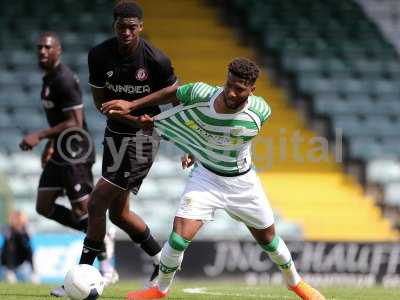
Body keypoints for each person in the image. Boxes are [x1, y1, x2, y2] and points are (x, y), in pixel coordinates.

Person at [102, 58, 326, 300]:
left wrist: (194, 145)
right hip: (206, 177)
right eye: (228, 84)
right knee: (178, 238)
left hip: (242, 183)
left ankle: (296, 284)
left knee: (269, 241)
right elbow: (173, 93)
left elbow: (222, 137)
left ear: (252, 90)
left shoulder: (259, 113)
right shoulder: (202, 93)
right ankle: (159, 290)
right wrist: (132, 105)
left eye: (239, 89)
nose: (230, 92)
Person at [77, 0, 178, 288]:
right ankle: (163, 261)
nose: (127, 32)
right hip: (115, 134)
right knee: (118, 214)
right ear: (114, 26)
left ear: (141, 27)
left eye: (132, 27)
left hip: (144, 138)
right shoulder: (98, 56)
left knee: (96, 202)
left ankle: (84, 276)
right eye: (122, 26)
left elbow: (174, 98)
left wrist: (136, 114)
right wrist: (117, 111)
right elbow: (100, 102)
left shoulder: (156, 60)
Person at [19, 32, 118, 296]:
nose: (42, 51)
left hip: (75, 151)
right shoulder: (48, 79)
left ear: (58, 51)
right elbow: (59, 120)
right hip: (60, 150)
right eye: (39, 47)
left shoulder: (64, 79)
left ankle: (105, 259)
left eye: (47, 48)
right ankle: (99, 234)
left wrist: (40, 136)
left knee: (82, 211)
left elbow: (75, 121)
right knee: (44, 205)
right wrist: (51, 145)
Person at [1, 211, 37, 283]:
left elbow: (30, 236)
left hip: (22, 261)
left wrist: (22, 228)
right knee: (10, 246)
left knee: (30, 249)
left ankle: (33, 273)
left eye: (19, 218)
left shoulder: (27, 228)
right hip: (8, 261)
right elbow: (7, 235)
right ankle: (9, 272)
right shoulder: (7, 227)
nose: (17, 221)